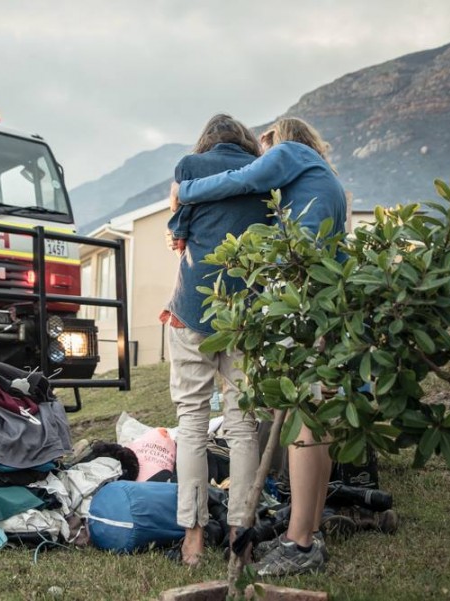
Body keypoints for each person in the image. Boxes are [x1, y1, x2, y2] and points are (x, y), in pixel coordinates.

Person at [175, 117, 347, 576]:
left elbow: (235, 184)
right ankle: (270, 532)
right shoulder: (320, 181)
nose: (261, 157)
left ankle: (291, 540)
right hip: (320, 302)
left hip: (286, 303)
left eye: (265, 147)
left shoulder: (285, 157)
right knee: (268, 422)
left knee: (291, 418)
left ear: (276, 141)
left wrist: (185, 191)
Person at [161, 114, 269, 566]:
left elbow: (179, 232)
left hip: (193, 309)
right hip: (245, 314)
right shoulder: (265, 172)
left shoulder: (191, 166)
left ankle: (193, 541)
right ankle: (241, 539)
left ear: (206, 142)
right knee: (243, 426)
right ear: (246, 141)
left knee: (191, 423)